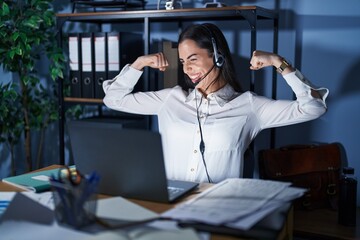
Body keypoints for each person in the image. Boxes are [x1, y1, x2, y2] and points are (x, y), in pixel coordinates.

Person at [103, 23, 329, 184]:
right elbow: (113, 99)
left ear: (218, 57)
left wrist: (279, 63)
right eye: (183, 61)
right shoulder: (170, 99)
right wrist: (139, 64)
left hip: (220, 212)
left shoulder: (250, 107)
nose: (186, 69)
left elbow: (313, 107)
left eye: (193, 59)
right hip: (171, 207)